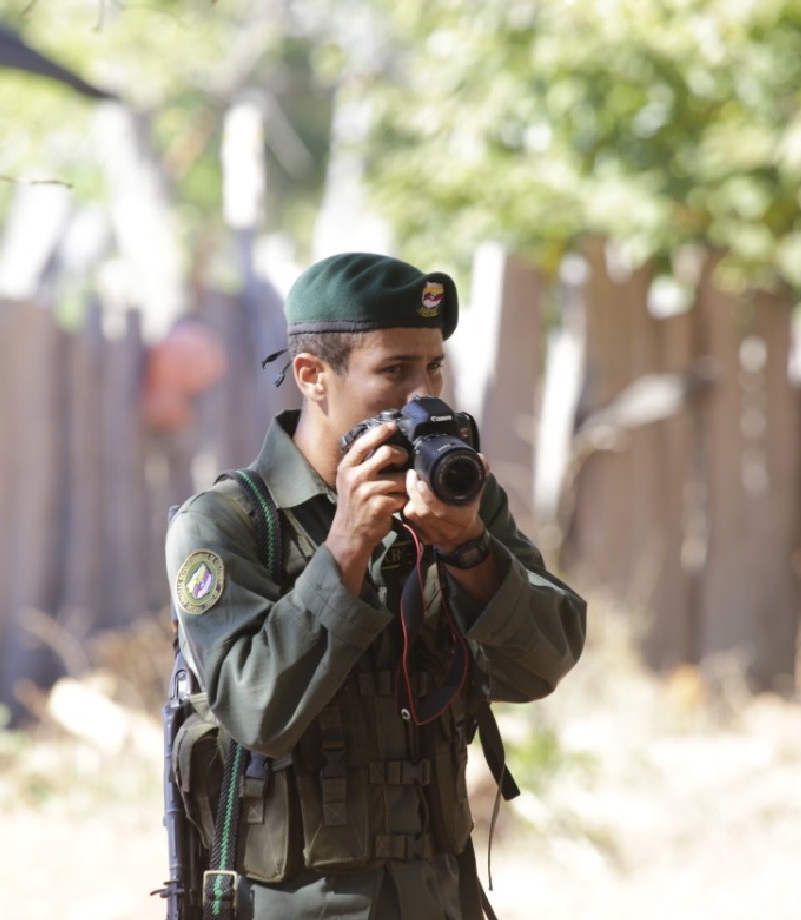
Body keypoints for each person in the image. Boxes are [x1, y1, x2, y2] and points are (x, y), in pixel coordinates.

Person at [165, 252, 587, 920]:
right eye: (394, 370)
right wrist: (347, 545)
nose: (424, 396)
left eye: (434, 367)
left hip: (441, 899)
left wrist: (470, 549)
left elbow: (545, 662)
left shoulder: (456, 501)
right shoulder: (229, 525)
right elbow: (257, 713)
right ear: (313, 377)